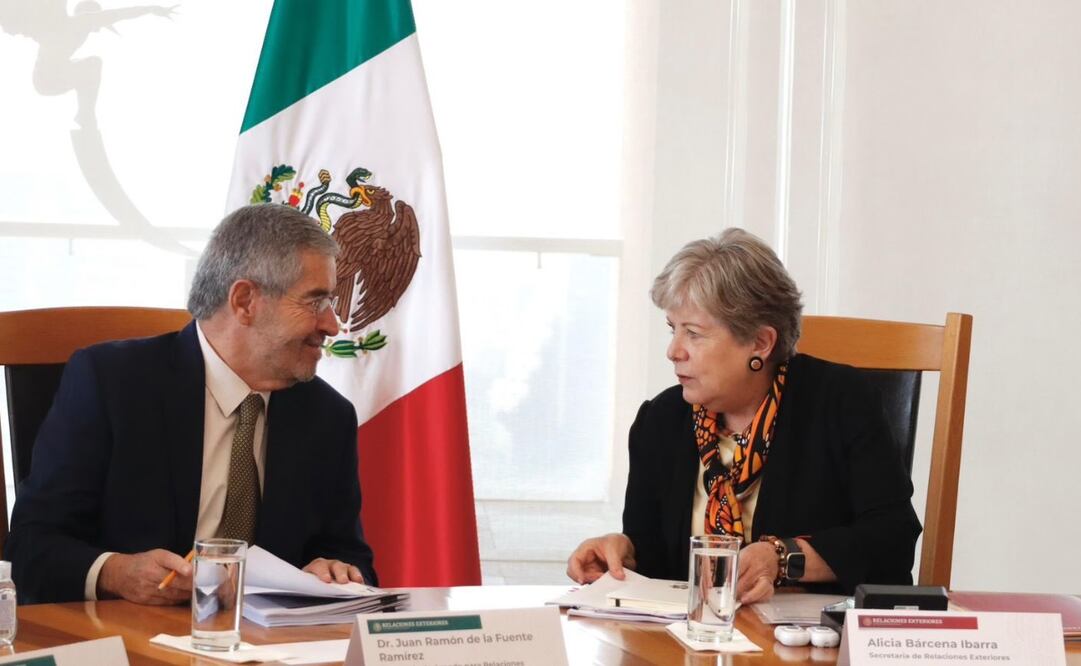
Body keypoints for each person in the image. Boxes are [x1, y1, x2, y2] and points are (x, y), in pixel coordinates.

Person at [5, 204, 377, 604]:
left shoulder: (327, 417)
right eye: (315, 301)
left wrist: (336, 571)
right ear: (245, 301)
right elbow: (30, 546)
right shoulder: (113, 383)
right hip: (128, 645)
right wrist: (115, 572)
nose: (332, 325)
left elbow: (351, 557)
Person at [566, 228, 920, 604]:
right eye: (673, 330)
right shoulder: (661, 421)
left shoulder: (841, 402)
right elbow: (655, 561)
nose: (673, 351)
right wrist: (621, 553)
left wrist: (782, 558)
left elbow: (891, 540)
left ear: (760, 343)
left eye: (694, 334)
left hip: (807, 648)